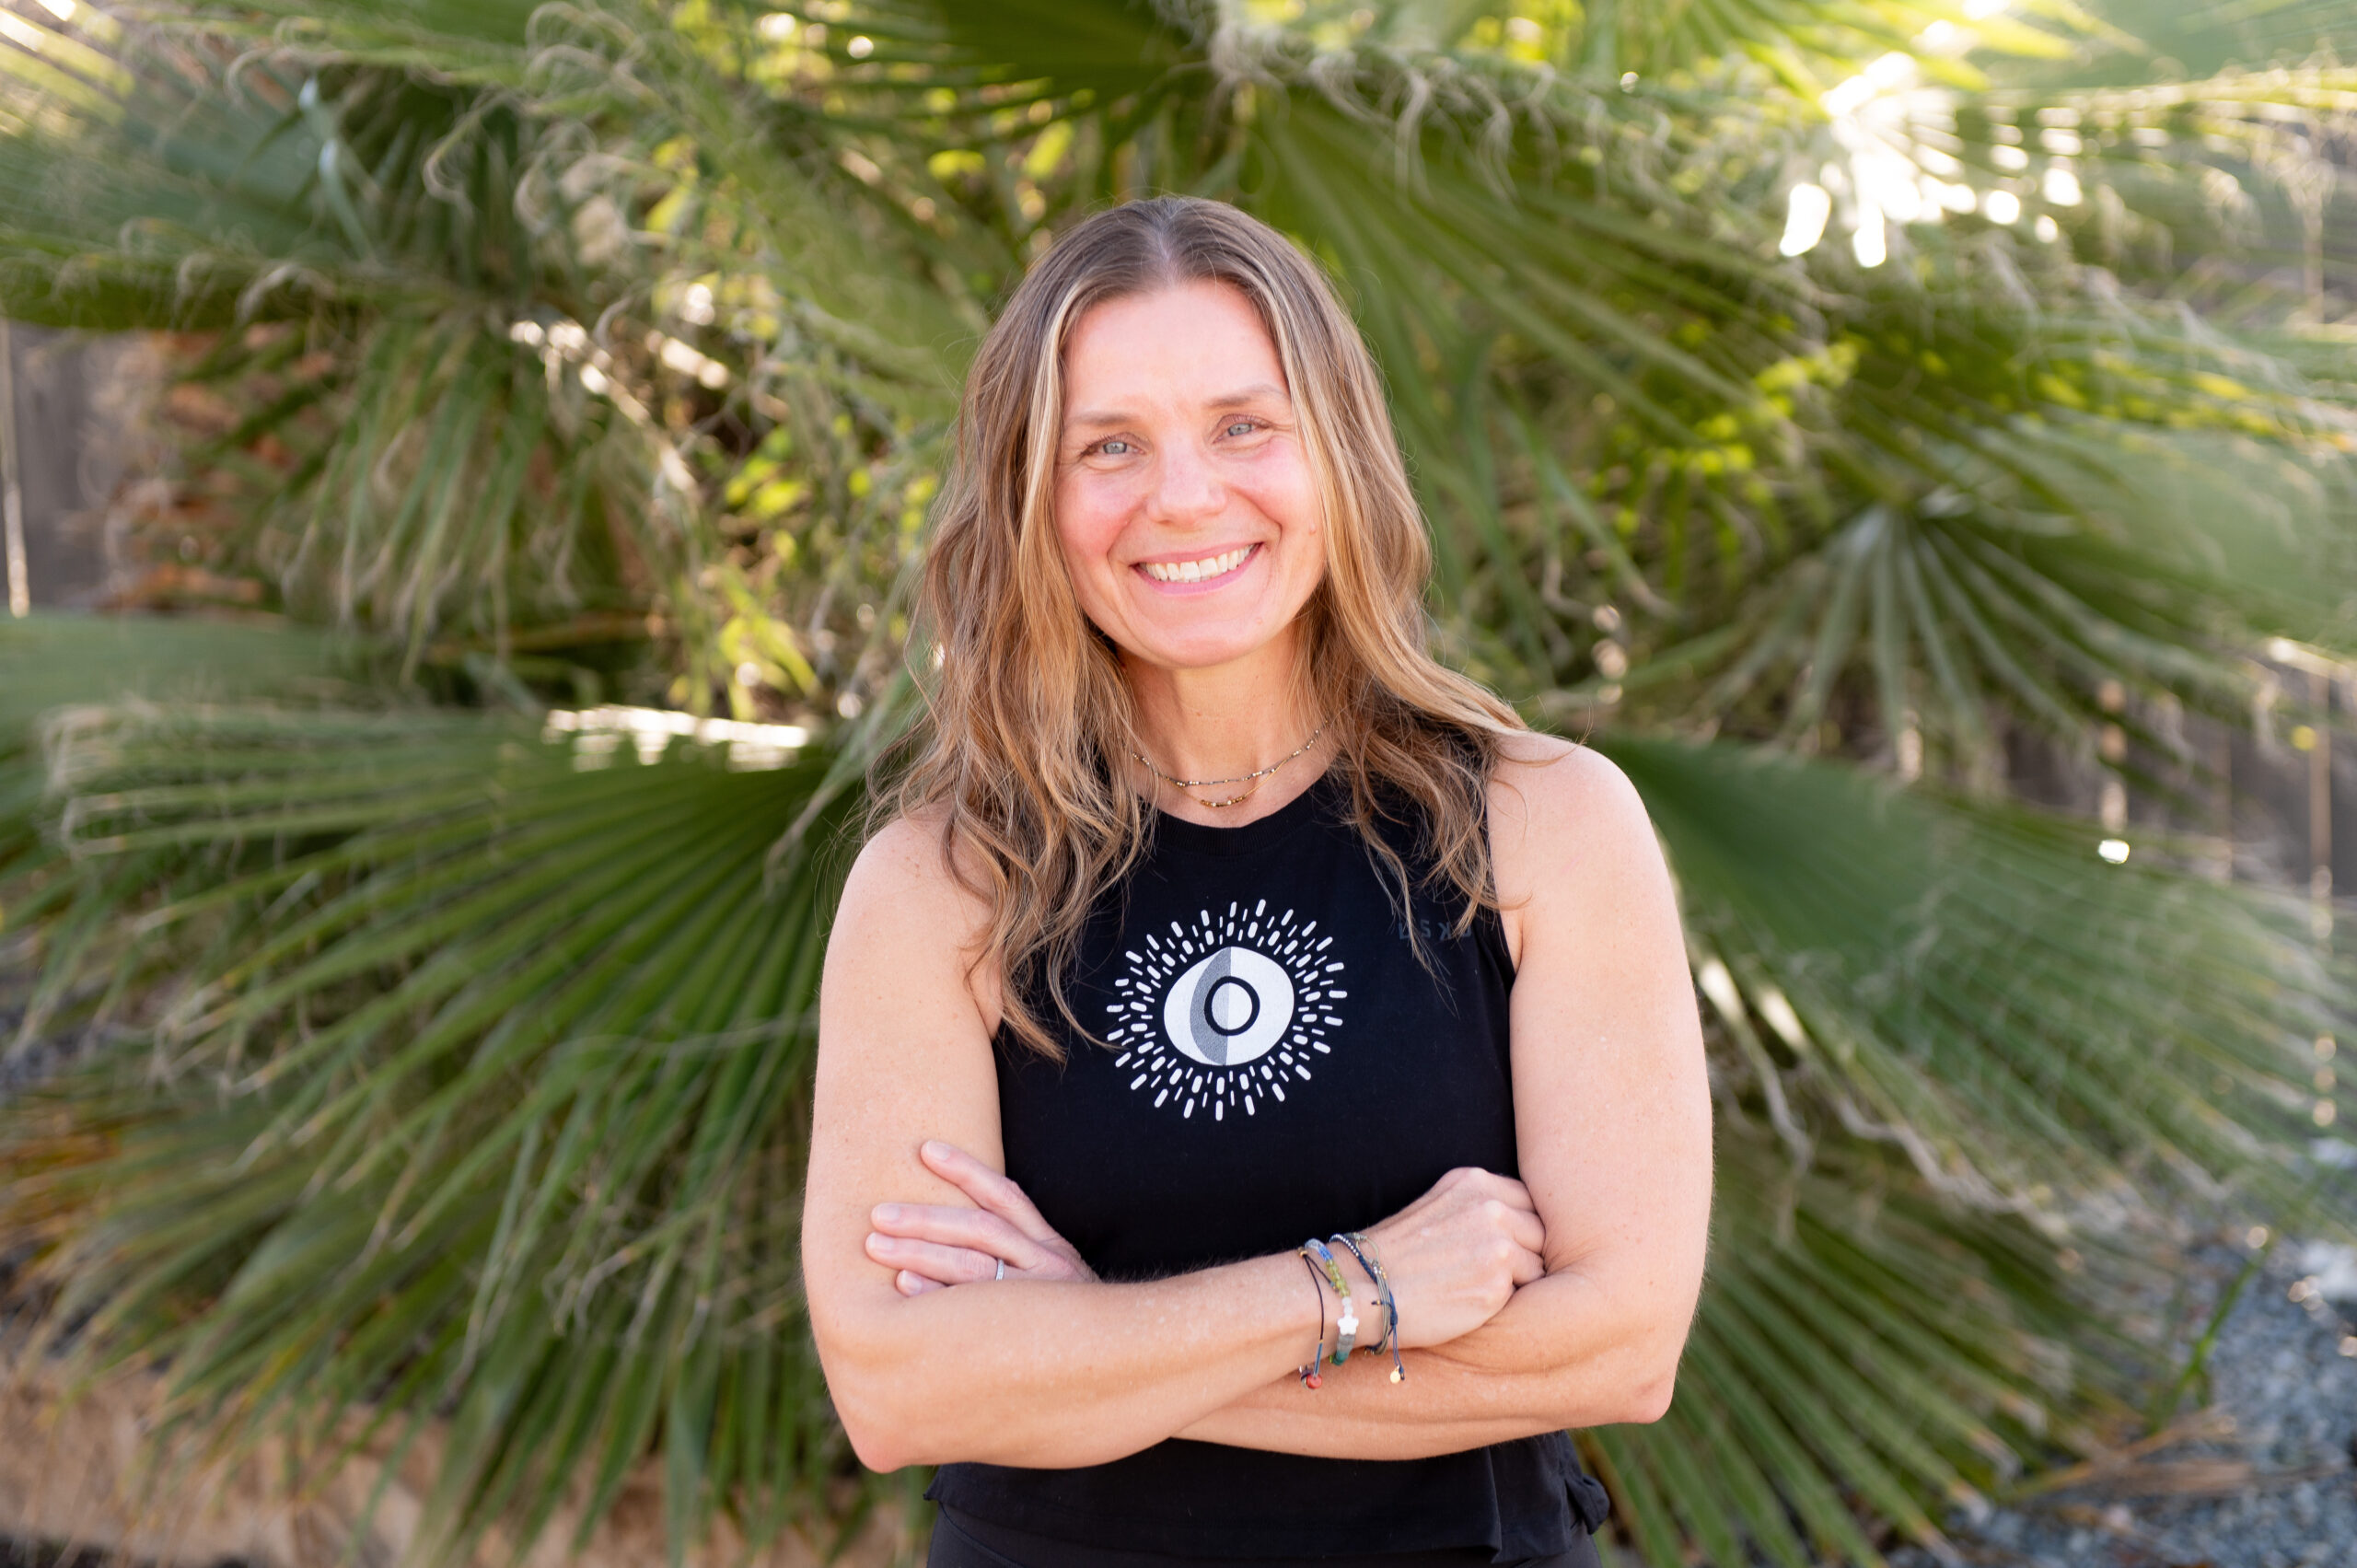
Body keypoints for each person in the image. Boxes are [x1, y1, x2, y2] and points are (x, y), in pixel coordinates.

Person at [803, 196, 1713, 1568]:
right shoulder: (944, 888)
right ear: (1034, 498)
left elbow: (1619, 1349)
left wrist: (1079, 1342)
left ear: (1337, 453)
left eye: (1244, 426)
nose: (1183, 496)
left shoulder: (1541, 826)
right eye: (1110, 445)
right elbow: (898, 1391)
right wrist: (1356, 1288)